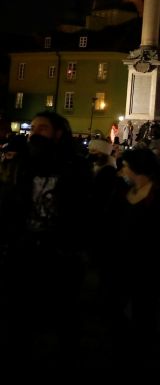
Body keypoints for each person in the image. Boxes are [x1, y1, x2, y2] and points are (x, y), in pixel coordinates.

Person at [0, 113, 91, 360]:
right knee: (19, 313)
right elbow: (10, 202)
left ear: (58, 133)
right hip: (24, 250)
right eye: (34, 127)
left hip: (60, 253)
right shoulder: (22, 163)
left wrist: (75, 245)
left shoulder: (75, 166)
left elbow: (84, 210)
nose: (35, 132)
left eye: (43, 128)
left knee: (64, 314)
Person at [111, 148, 160, 341]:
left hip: (148, 265)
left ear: (138, 169)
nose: (121, 171)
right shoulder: (123, 192)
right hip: (123, 261)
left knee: (144, 309)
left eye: (125, 167)